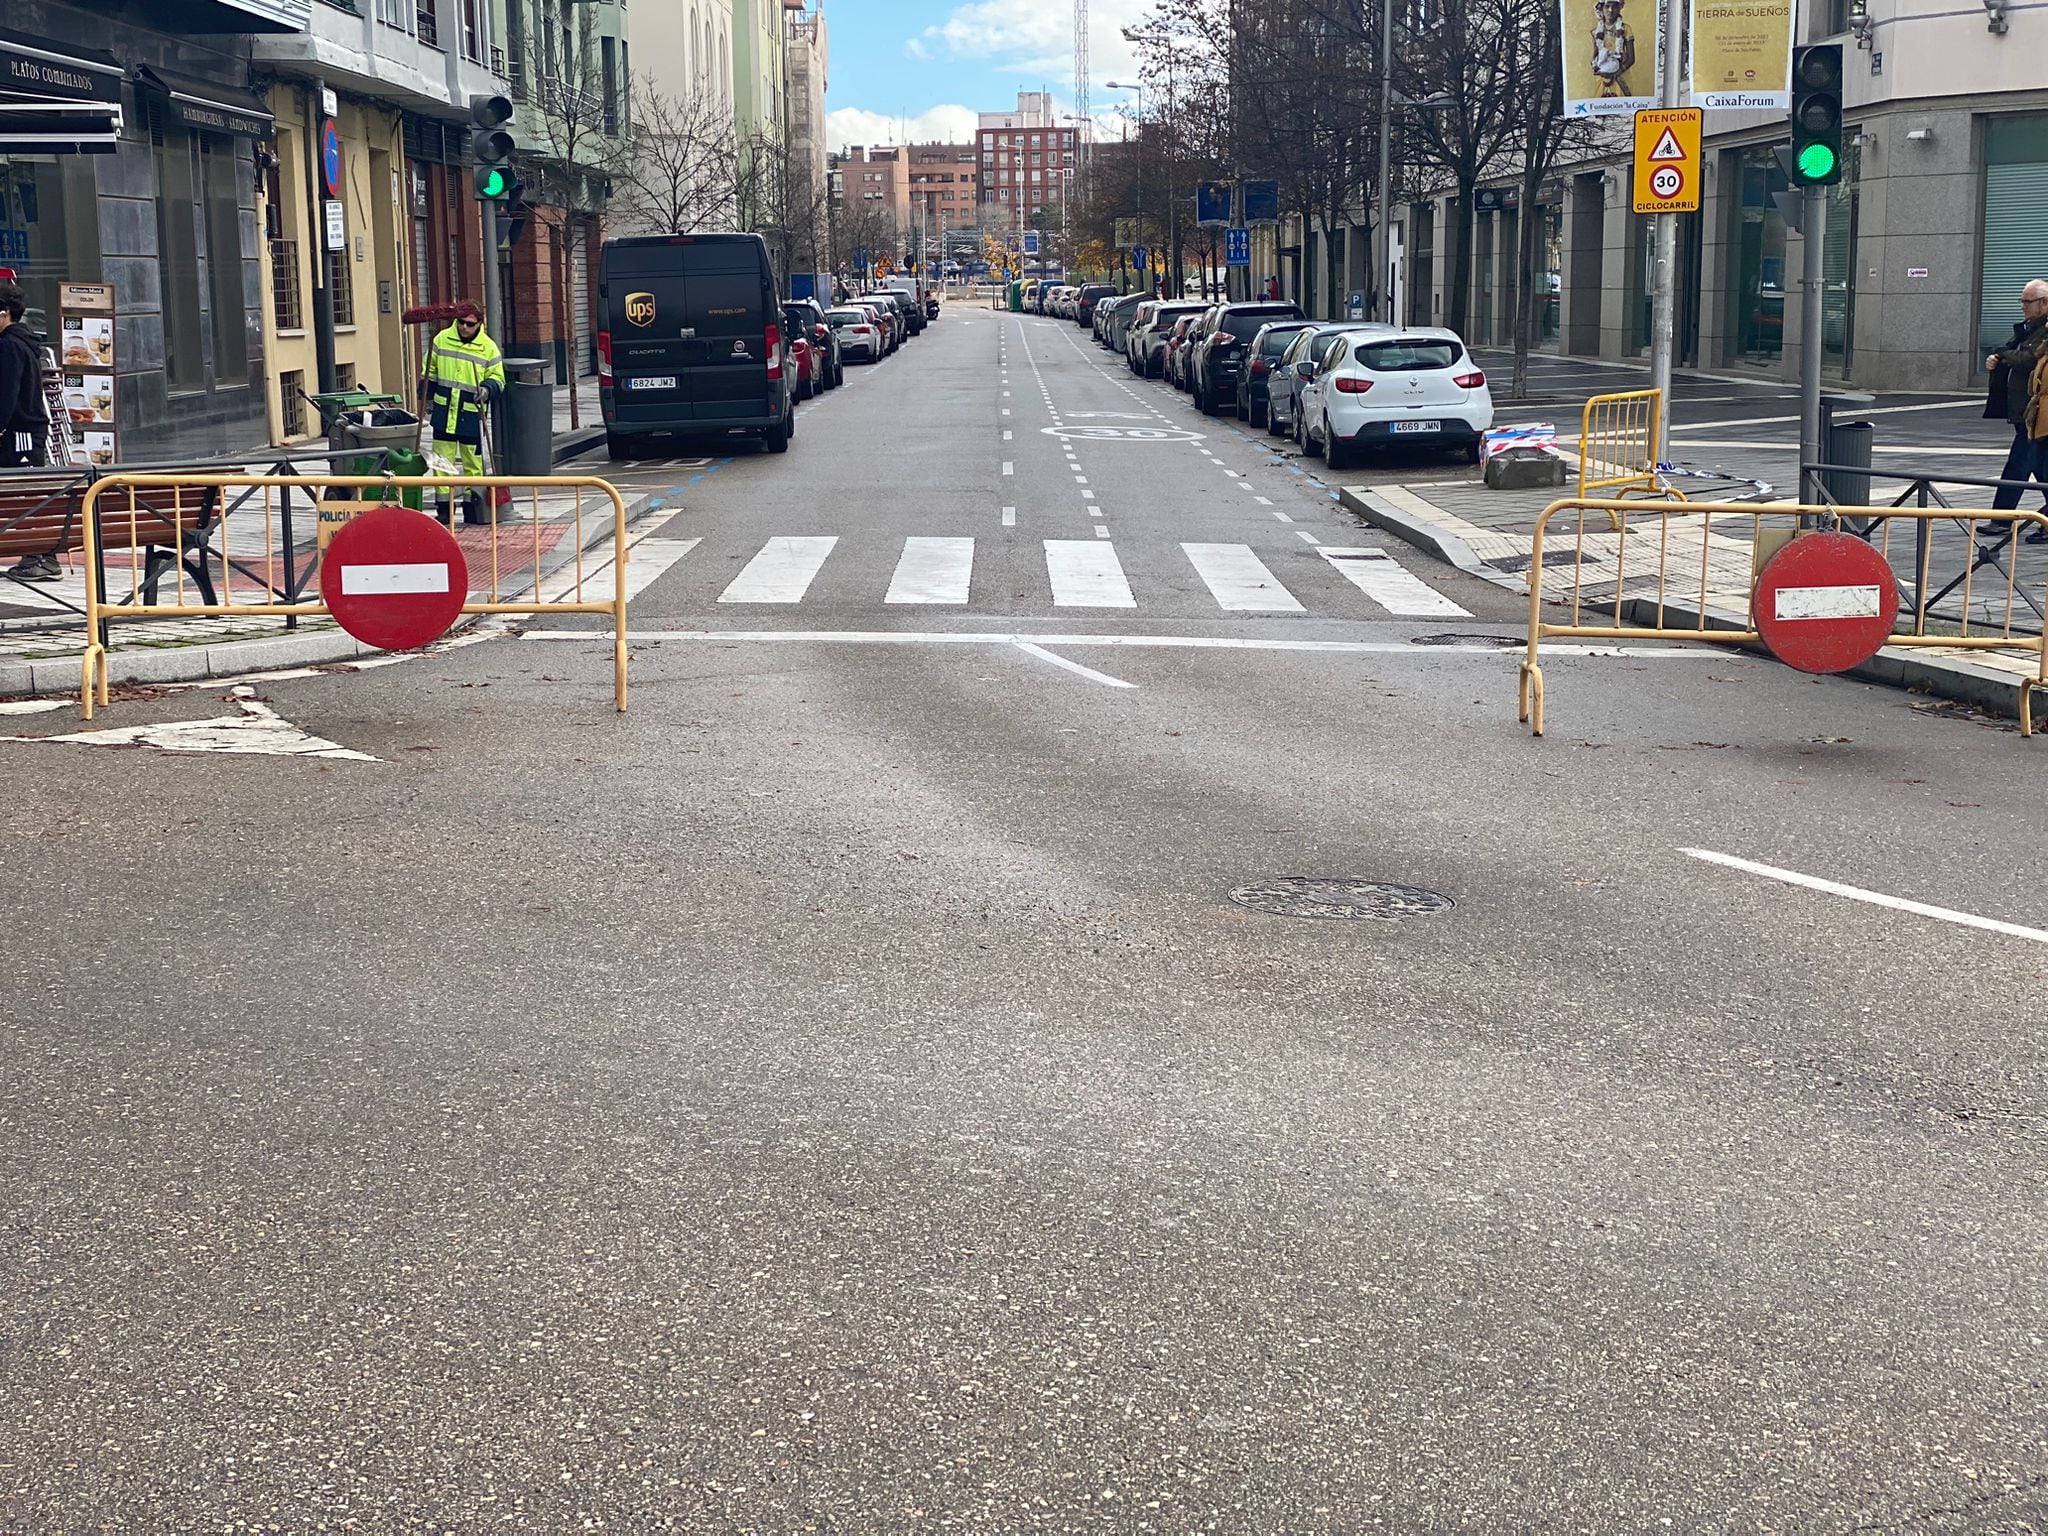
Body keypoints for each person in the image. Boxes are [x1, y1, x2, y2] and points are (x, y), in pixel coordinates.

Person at [419, 301, 504, 526]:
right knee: (441, 464)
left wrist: (487, 389)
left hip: (470, 415)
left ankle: (473, 509)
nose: (464, 327)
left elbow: (498, 378)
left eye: (469, 324)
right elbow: (430, 371)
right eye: (461, 322)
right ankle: (445, 511)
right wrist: (427, 396)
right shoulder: (441, 340)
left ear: (479, 325)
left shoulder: (488, 348)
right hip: (444, 413)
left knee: (473, 466)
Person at [0, 278, 58, 581]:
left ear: (4, 312)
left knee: (26, 492)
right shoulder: (23, 342)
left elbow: (6, 394)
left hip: (21, 431)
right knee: (25, 491)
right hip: (26, 429)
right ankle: (39, 553)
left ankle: (41, 555)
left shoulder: (10, 346)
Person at [1984, 278, 2048, 543]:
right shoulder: (2029, 328)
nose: (2023, 306)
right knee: (2026, 464)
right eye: (2022, 301)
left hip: (2039, 412)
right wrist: (1997, 358)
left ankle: (2003, 518)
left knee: (2032, 464)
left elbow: (2030, 359)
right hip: (2028, 410)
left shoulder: (2043, 331)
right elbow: (2016, 352)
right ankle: (2002, 518)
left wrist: (2003, 355)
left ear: (2044, 303)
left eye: (2027, 301)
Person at [1591, 0, 1636, 99]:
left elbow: (1631, 58)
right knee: (1602, 108)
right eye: (1607, 6)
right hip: (1602, 77)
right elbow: (1594, 56)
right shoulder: (1596, 31)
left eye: (1614, 7)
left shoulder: (1625, 28)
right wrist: (1597, 68)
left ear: (1619, 8)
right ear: (1601, 9)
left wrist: (1617, 72)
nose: (1610, 10)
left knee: (1622, 109)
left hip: (1621, 75)